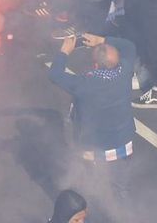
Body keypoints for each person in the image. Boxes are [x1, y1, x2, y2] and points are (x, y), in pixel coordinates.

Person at [49, 33, 136, 209]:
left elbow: (55, 74)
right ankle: (124, 213)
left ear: (95, 64)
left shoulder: (84, 83)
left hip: (92, 145)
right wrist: (103, 40)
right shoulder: (125, 71)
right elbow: (129, 46)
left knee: (89, 182)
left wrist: (64, 51)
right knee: (120, 187)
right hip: (122, 142)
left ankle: (90, 209)